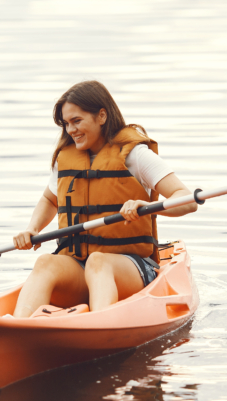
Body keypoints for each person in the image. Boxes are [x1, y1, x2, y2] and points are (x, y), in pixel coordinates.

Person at [12, 81, 197, 318]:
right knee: (45, 262)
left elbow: (187, 200)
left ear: (101, 116)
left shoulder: (135, 155)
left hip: (132, 268)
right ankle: (20, 325)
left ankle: (98, 323)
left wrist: (149, 207)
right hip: (80, 267)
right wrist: (32, 228)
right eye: (66, 123)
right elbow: (49, 200)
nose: (70, 130)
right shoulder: (66, 159)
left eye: (77, 121)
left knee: (98, 262)